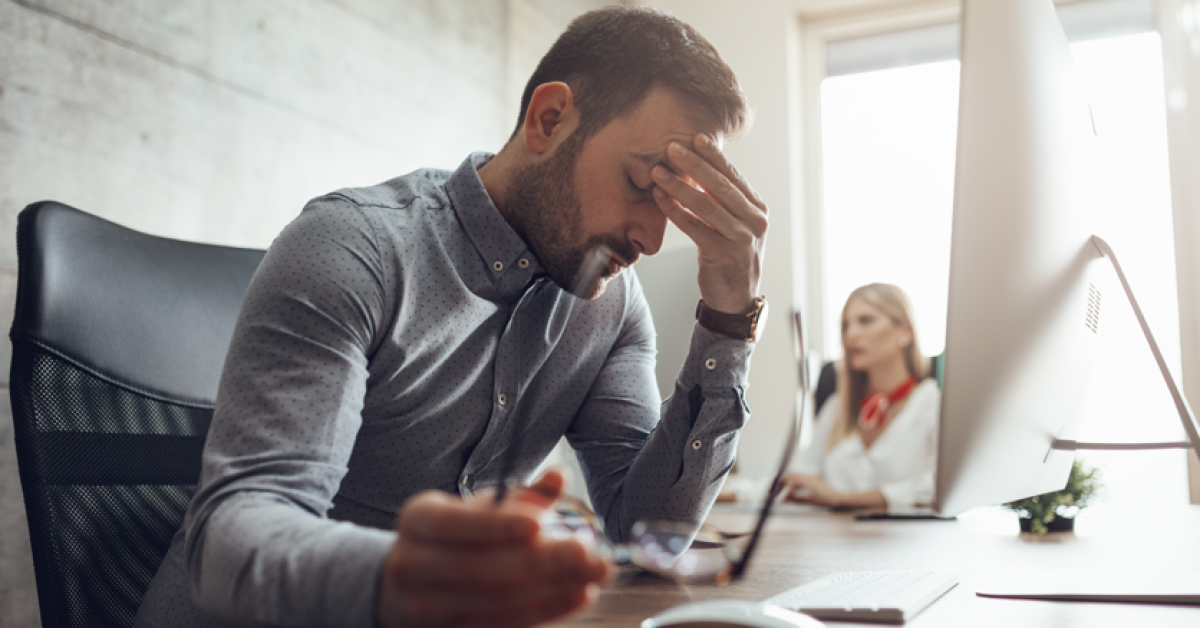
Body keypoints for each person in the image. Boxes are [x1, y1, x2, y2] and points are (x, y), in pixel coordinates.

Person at [134, 7, 770, 628]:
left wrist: (730, 316)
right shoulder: (354, 247)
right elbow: (228, 542)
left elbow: (646, 529)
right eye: (640, 185)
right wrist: (405, 580)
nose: (653, 239)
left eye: (676, 204)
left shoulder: (609, 308)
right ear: (549, 120)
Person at [782, 283, 939, 512]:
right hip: (836, 542)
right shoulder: (837, 406)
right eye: (846, 325)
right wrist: (726, 491)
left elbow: (939, 486)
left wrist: (843, 498)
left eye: (865, 320)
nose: (851, 335)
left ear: (906, 331)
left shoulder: (934, 405)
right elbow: (798, 476)